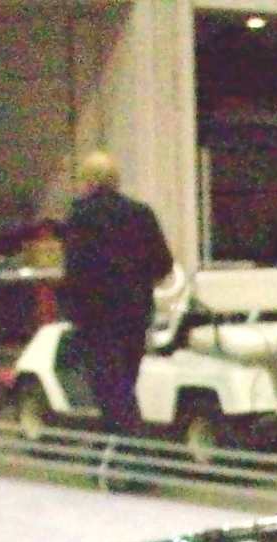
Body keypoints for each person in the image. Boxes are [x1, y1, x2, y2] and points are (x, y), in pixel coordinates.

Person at [60, 151, 171, 433]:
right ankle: (117, 445)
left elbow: (75, 269)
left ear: (88, 181)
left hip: (96, 316)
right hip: (135, 313)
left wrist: (71, 308)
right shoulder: (141, 213)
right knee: (125, 384)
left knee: (109, 390)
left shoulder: (80, 216)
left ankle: (130, 448)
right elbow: (163, 264)